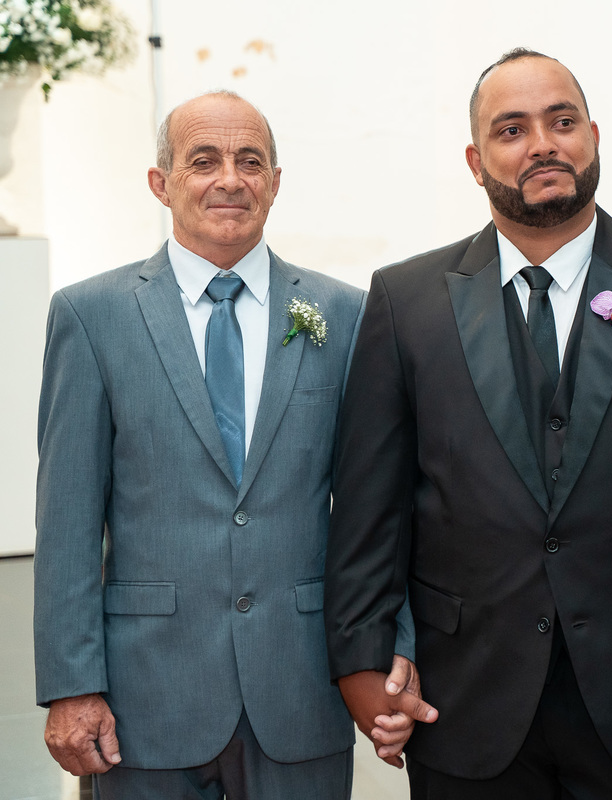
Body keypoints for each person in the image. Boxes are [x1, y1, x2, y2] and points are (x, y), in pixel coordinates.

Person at [322, 48, 612, 798]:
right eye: (512, 130)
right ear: (476, 162)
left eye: (562, 122)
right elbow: (368, 508)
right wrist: (362, 655)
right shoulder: (404, 301)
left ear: (594, 136)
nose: (543, 144)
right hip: (464, 699)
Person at [34, 91, 366, 798]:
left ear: (275, 181)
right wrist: (71, 684)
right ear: (162, 183)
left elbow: (375, 511)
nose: (230, 180)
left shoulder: (342, 314)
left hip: (301, 688)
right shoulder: (91, 316)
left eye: (251, 161)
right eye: (204, 161)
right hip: (145, 698)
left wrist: (388, 653)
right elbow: (66, 520)